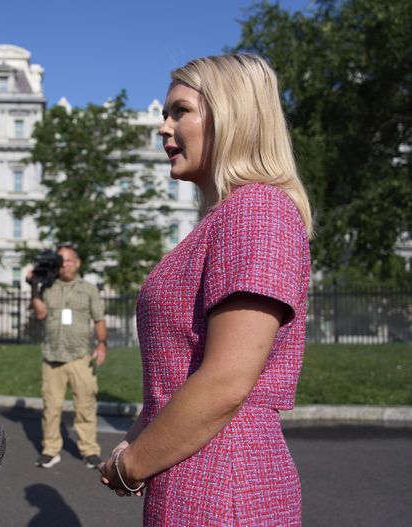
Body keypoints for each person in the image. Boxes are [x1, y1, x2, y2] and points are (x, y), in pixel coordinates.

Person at [97, 54, 312, 527]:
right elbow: (179, 371)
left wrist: (131, 466)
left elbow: (227, 382)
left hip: (225, 484)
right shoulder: (224, 219)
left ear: (231, 114)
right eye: (164, 114)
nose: (163, 127)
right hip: (192, 474)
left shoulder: (258, 209)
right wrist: (137, 437)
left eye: (179, 111)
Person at [29, 246, 107, 470]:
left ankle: (89, 450)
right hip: (52, 357)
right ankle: (50, 450)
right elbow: (40, 312)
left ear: (78, 262)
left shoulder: (89, 289)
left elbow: (99, 319)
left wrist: (102, 345)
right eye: (61, 261)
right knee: (51, 408)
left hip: (80, 356)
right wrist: (34, 287)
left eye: (69, 260)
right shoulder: (48, 287)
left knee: (85, 405)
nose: (65, 264)